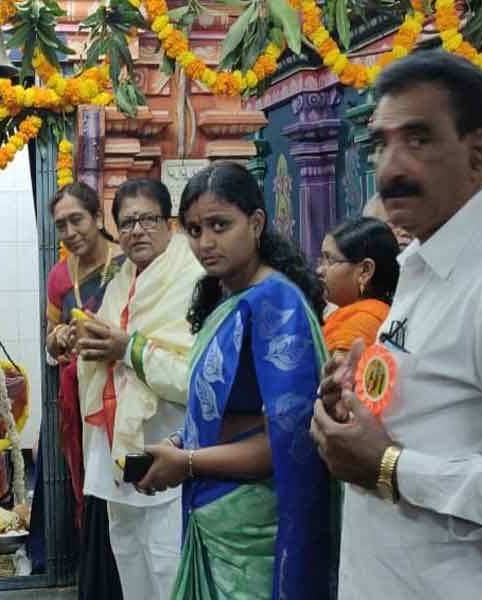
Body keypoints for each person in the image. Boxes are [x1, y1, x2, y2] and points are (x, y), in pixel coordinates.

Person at [311, 50, 482, 598]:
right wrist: (355, 395)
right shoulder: (422, 262)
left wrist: (391, 467)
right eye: (381, 143)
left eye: (418, 139)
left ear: (479, 153)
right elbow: (439, 408)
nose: (390, 167)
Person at [136, 162, 334, 599]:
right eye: (193, 229)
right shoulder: (228, 297)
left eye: (219, 225)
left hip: (253, 530)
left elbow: (287, 442)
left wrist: (186, 463)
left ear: (256, 222)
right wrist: (180, 441)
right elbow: (224, 412)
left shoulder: (274, 302)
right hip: (215, 514)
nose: (205, 243)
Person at [76, 178, 203, 600]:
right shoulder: (121, 278)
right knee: (130, 568)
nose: (137, 231)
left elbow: (194, 378)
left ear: (169, 223)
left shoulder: (193, 278)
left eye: (147, 219)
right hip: (116, 452)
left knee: (168, 570)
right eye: (127, 223)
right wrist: (81, 341)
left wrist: (126, 347)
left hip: (167, 449)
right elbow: (104, 346)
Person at [43, 182, 124, 598]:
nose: (70, 232)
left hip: (125, 394)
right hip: (80, 398)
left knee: (125, 485)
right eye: (61, 225)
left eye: (77, 220)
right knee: (91, 488)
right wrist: (57, 339)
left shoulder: (127, 263)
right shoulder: (60, 275)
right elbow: (50, 337)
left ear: (97, 217)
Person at [317, 216, 399, 358]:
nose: (319, 270)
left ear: (365, 271)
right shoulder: (365, 315)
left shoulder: (360, 326)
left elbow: (337, 378)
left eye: (329, 260)